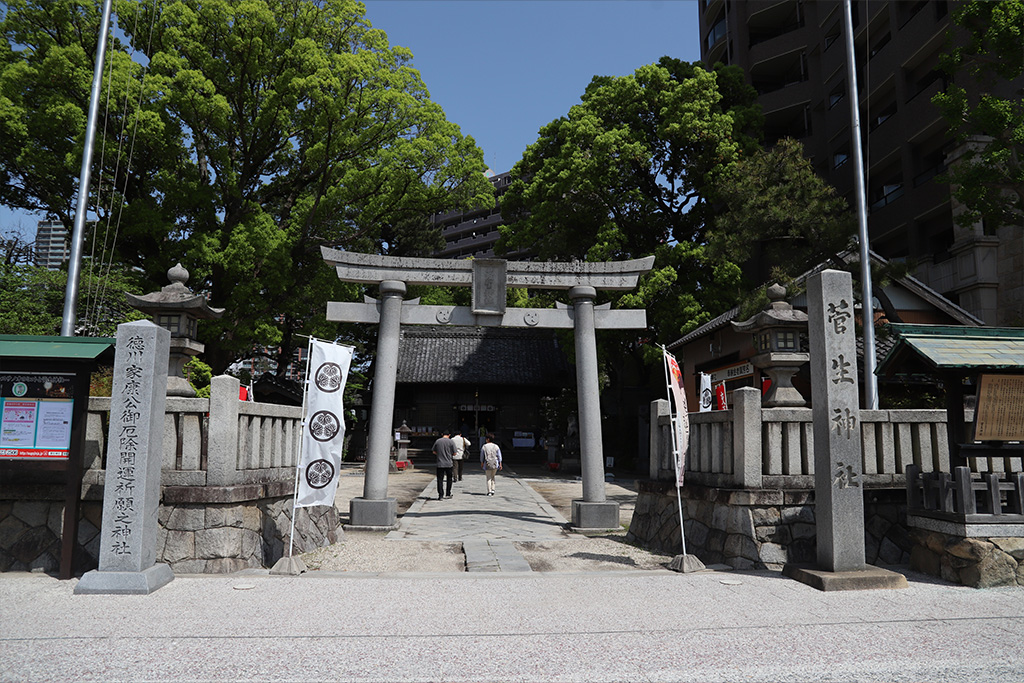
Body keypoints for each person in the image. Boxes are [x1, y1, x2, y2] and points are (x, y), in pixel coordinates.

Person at [432, 430, 456, 500]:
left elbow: (434, 451)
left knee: (440, 479)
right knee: (449, 479)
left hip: (440, 463)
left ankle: (440, 495)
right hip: (449, 463)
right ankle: (448, 493)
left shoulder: (438, 441)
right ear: (449, 435)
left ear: (442, 434)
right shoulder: (451, 441)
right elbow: (454, 453)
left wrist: (439, 454)